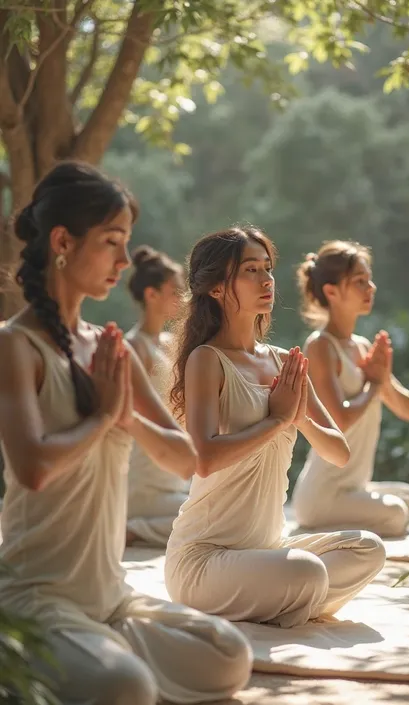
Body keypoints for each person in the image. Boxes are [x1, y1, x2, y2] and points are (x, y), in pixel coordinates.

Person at [0, 162, 252, 705]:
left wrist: (126, 416)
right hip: (37, 595)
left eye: (126, 243)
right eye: (112, 242)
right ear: (63, 241)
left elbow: (186, 460)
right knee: (125, 686)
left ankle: (93, 654)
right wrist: (101, 417)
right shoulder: (15, 345)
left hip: (111, 596)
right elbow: (32, 468)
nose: (122, 260)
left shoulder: (107, 349)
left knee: (230, 654)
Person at [164, 227, 386, 628]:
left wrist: (299, 418)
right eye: (251, 270)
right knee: (306, 572)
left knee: (367, 548)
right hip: (205, 559)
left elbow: (338, 451)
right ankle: (283, 597)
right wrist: (278, 420)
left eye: (267, 268)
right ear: (216, 287)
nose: (266, 279)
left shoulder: (285, 361)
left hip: (268, 549)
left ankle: (276, 599)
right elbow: (206, 458)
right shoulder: (207, 360)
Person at [292, 241, 409, 538]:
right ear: (331, 291)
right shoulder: (320, 346)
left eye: (369, 279)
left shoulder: (362, 347)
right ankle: (311, 530)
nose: (371, 287)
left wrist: (383, 378)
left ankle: (329, 526)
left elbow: (408, 410)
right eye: (360, 281)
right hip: (325, 494)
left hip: (356, 488)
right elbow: (339, 419)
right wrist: (373, 383)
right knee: (396, 514)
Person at [126, 246, 189, 547]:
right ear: (151, 295)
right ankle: (133, 529)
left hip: (173, 473)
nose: (182, 296)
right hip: (146, 478)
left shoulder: (169, 342)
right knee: (206, 517)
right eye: (174, 290)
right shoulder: (132, 347)